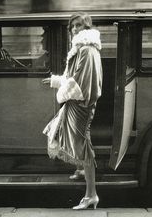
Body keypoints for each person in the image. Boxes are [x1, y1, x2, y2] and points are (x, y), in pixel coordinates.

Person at [42, 12, 102, 209]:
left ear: (86, 28)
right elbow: (73, 76)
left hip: (80, 104)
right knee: (82, 145)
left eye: (79, 26)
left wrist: (57, 84)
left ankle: (91, 195)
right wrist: (56, 81)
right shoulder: (82, 48)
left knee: (84, 147)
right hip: (78, 103)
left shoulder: (86, 50)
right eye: (72, 26)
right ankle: (84, 175)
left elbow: (79, 83)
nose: (75, 29)